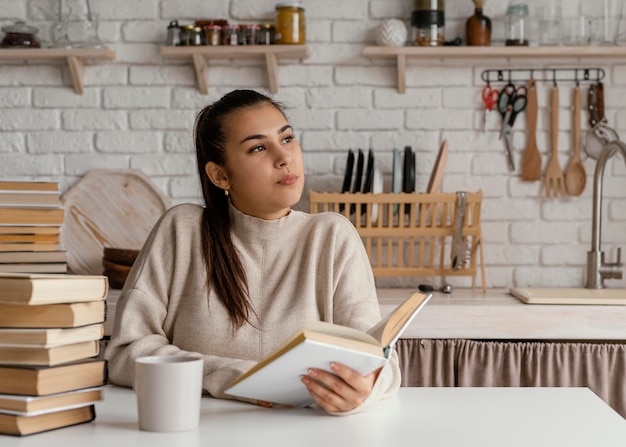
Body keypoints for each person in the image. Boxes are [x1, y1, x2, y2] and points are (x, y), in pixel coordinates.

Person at [104, 89, 400, 415]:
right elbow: (126, 354)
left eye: (287, 139)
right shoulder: (181, 229)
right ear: (220, 175)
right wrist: (237, 377)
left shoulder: (332, 236)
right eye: (259, 147)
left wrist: (366, 389)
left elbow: (381, 362)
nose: (284, 156)